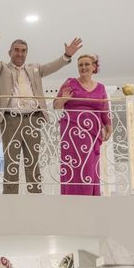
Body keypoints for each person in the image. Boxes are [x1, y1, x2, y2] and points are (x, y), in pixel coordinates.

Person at [0, 26, 83, 194]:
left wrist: (67, 56)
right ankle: (9, 200)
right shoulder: (2, 68)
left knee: (33, 161)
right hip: (10, 120)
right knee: (11, 161)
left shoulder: (34, 69)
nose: (20, 54)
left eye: (23, 51)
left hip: (33, 119)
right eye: (16, 50)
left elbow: (52, 66)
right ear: (9, 52)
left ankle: (35, 197)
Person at [53, 54, 112, 195]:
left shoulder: (101, 87)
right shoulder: (70, 82)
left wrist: (109, 125)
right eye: (80, 65)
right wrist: (64, 99)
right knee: (73, 164)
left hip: (92, 131)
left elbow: (104, 108)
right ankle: (72, 197)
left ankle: (89, 196)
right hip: (72, 131)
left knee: (89, 166)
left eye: (86, 64)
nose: (83, 67)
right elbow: (56, 105)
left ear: (94, 67)